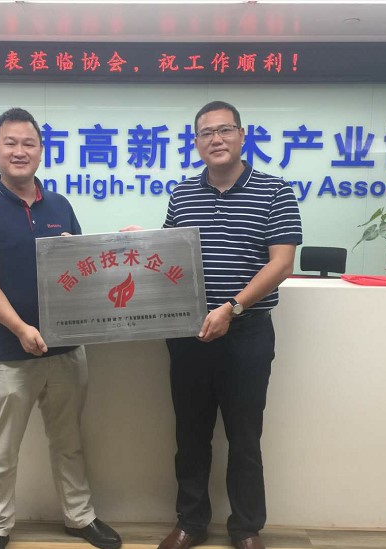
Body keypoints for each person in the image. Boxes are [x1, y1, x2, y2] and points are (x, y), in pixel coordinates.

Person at [125, 100, 302, 549]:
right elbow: (170, 255)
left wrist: (232, 308)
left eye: (225, 130)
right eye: (206, 133)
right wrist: (139, 243)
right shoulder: (183, 193)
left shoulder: (275, 191)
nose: (216, 139)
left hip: (247, 332)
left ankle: (246, 528)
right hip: (189, 333)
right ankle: (191, 522)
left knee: (245, 436)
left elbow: (281, 264)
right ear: (196, 142)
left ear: (242, 135)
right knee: (190, 433)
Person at [0, 107, 122, 549]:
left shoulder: (60, 205)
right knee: (2, 448)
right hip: (9, 352)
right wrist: (21, 328)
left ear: (41, 150)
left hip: (66, 350)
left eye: (28, 143)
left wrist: (116, 245)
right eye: (10, 142)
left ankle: (80, 517)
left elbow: (83, 269)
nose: (19, 151)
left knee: (69, 441)